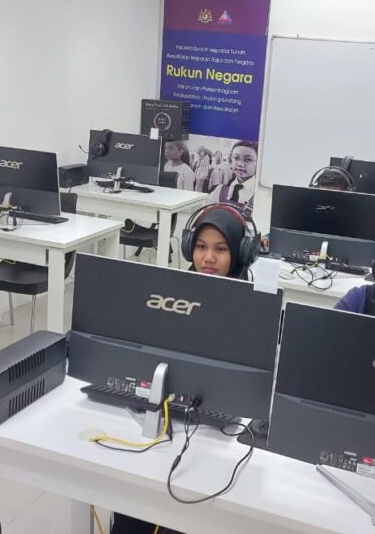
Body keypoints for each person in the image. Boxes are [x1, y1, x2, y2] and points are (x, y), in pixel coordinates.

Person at [111, 204, 259, 534]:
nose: (208, 258)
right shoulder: (168, 295)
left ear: (241, 253)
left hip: (216, 436)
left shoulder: (252, 307)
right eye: (201, 246)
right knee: (131, 497)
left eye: (221, 249)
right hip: (162, 416)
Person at [210, 141, 258, 212]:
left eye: (248, 159)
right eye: (236, 158)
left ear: (258, 163)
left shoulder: (260, 195)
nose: (240, 164)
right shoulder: (219, 190)